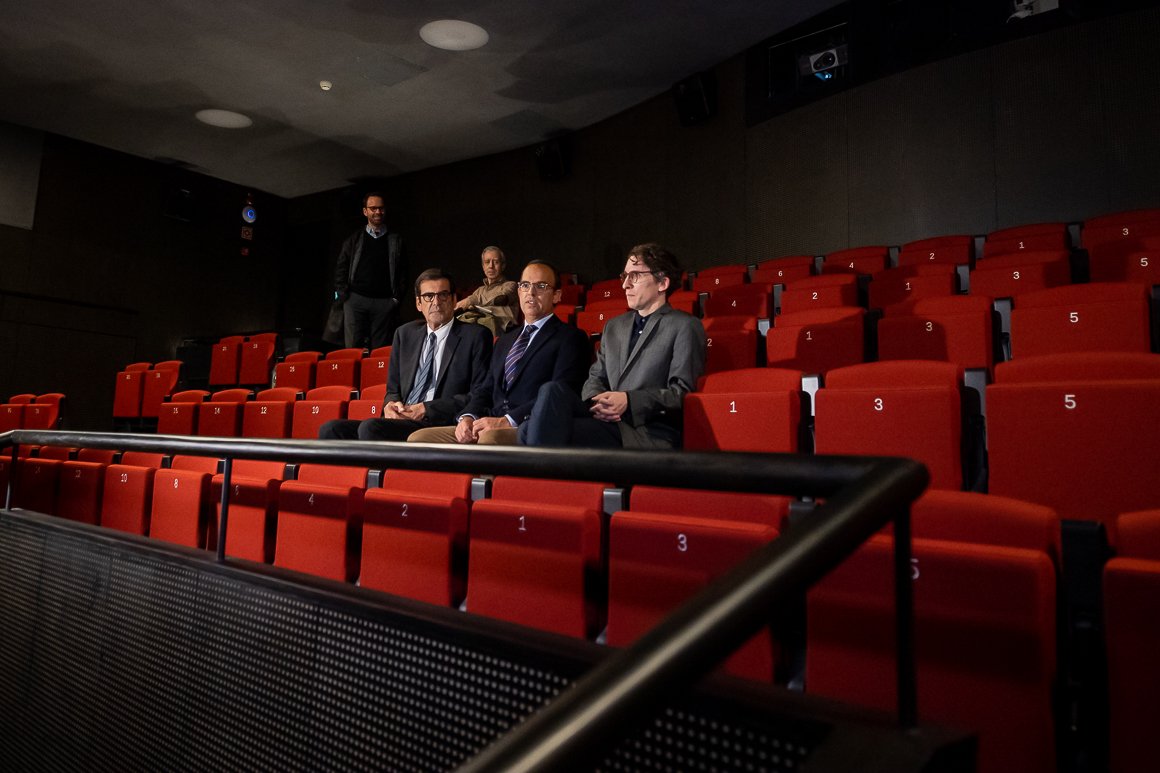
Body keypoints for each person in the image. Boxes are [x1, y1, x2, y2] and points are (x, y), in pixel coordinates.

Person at [520, 243, 705, 449]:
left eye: (635, 276)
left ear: (662, 283)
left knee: (532, 430)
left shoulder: (684, 325)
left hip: (645, 430)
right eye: (624, 276)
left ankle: (536, 470)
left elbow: (681, 394)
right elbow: (595, 378)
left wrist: (629, 401)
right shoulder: (614, 326)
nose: (625, 284)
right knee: (550, 392)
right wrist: (598, 401)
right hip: (605, 419)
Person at [408, 260, 590, 445]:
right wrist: (468, 417)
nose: (531, 292)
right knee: (419, 439)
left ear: (557, 295)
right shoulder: (505, 340)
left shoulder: (570, 338)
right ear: (519, 291)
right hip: (488, 423)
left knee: (489, 440)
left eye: (541, 286)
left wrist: (508, 420)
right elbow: (486, 389)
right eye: (525, 285)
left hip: (527, 426)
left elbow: (560, 394)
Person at [319, 268, 491, 441]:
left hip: (437, 422)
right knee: (331, 429)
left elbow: (478, 393)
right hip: (403, 418)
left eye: (443, 295)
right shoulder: (404, 334)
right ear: (418, 303)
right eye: (428, 296)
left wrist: (426, 408)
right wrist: (390, 406)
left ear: (454, 300)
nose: (436, 302)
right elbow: (393, 390)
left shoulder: (475, 336)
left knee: (371, 427)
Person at [334, 192, 408, 349]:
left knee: (379, 350)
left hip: (384, 301)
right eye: (373, 208)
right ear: (365, 211)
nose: (378, 212)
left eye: (381, 208)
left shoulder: (395, 241)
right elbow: (341, 267)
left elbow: (403, 272)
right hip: (356, 299)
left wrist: (396, 299)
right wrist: (344, 295)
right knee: (353, 347)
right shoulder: (354, 239)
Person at [454, 246, 520, 336]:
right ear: (483, 266)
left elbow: (501, 299)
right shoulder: (479, 290)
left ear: (503, 266)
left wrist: (470, 300)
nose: (491, 266)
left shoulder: (511, 285)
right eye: (487, 262)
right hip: (476, 327)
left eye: (496, 262)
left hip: (501, 331)